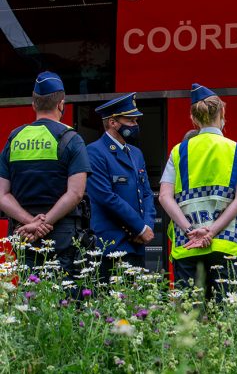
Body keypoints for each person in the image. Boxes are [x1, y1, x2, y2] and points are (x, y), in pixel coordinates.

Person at [159, 84, 237, 299]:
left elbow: (164, 196)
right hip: (227, 244)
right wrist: (211, 232)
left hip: (187, 243)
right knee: (227, 318)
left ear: (194, 119)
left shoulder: (178, 151)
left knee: (190, 319)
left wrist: (190, 229)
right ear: (222, 113)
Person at [0, 71, 91, 274]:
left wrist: (30, 222)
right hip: (63, 234)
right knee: (62, 299)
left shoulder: (14, 139)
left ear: (34, 104)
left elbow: (2, 194)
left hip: (23, 233)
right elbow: (75, 193)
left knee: (29, 297)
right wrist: (44, 222)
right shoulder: (71, 138)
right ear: (61, 104)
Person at [86, 93, 156, 280]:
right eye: (130, 120)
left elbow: (147, 194)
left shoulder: (136, 153)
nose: (135, 125)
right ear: (112, 122)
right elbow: (105, 197)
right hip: (111, 244)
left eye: (135, 121)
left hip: (136, 244)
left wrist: (147, 226)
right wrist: (140, 228)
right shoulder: (95, 152)